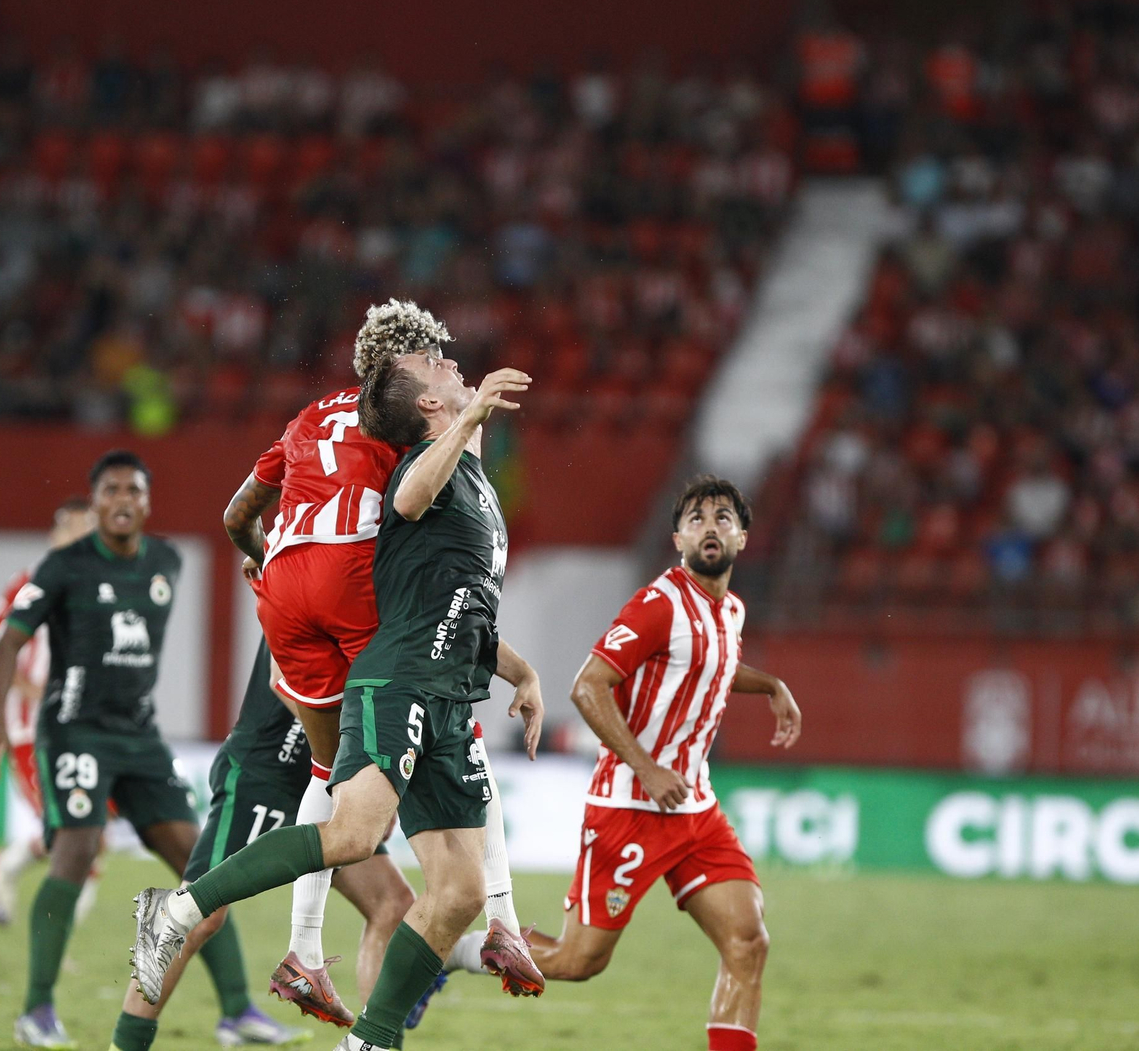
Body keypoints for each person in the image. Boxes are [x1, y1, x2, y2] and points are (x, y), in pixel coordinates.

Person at [133, 350, 544, 1051]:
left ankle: (369, 1039)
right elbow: (410, 493)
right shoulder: (424, 466)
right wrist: (472, 413)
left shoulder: (470, 472)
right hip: (401, 680)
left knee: (457, 892)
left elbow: (464, 603)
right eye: (432, 362)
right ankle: (179, 909)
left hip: (448, 690)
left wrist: (521, 672)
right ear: (429, 406)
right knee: (355, 834)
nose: (447, 358)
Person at [0, 451, 293, 1050]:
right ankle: (36, 1010)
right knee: (76, 849)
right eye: (111, 490)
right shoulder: (63, 566)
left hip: (141, 737)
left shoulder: (166, 561)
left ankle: (236, 1011)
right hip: (75, 730)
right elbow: (5, 646)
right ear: (95, 501)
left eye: (134, 491)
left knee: (204, 872)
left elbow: (262, 564)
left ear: (148, 502)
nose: (123, 500)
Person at [512, 477, 801, 1051]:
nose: (710, 526)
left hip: (696, 809)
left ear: (742, 538)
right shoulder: (658, 605)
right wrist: (645, 766)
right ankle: (464, 950)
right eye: (696, 519)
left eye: (723, 518)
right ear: (677, 538)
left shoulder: (732, 611)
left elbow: (710, 666)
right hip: (630, 804)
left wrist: (770, 684)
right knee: (577, 960)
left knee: (748, 942)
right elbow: (587, 686)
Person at [109, 641, 415, 1051]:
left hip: (329, 778)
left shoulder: (389, 592)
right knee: (200, 914)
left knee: (393, 904)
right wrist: (356, 759)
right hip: (266, 772)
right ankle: (125, 1044)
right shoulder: (313, 579)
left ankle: (379, 1044)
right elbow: (281, 678)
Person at [0, 497, 98, 927]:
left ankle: (10, 867)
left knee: (86, 830)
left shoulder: (104, 588)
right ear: (55, 535)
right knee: (71, 830)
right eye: (72, 527)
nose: (80, 536)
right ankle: (56, 946)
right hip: (31, 727)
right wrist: (25, 687)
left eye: (88, 528)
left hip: (86, 729)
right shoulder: (30, 583)